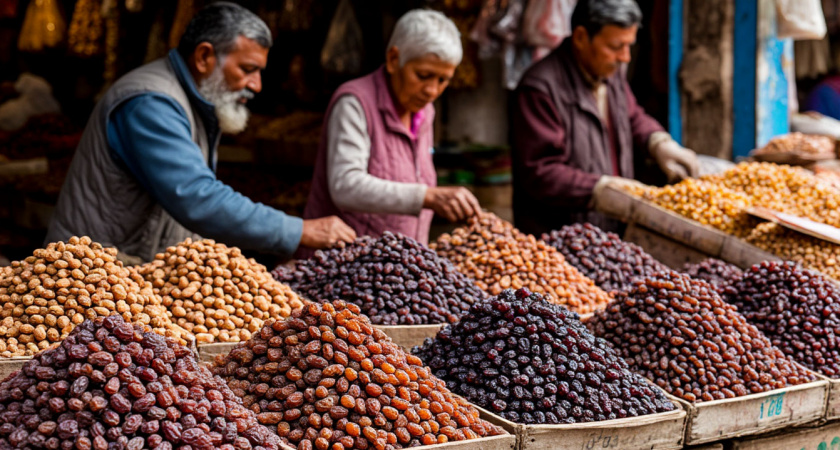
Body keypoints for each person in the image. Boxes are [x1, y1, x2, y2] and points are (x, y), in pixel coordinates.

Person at [46, 2, 355, 263]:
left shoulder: (191, 98)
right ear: (204, 56)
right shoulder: (151, 102)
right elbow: (195, 195)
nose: (257, 85)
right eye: (247, 69)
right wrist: (299, 231)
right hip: (90, 273)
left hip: (124, 267)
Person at [510, 0, 699, 235]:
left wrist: (658, 142)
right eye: (616, 46)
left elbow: (632, 116)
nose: (625, 57)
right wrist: (600, 189)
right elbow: (540, 172)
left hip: (607, 231)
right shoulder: (539, 89)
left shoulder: (610, 75)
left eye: (629, 45)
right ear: (580, 37)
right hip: (560, 237)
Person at [303, 9, 481, 249]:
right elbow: (345, 185)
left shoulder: (425, 111)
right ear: (394, 59)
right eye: (424, 75)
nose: (432, 90)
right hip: (349, 263)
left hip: (400, 266)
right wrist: (427, 196)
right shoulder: (355, 103)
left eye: (443, 80)